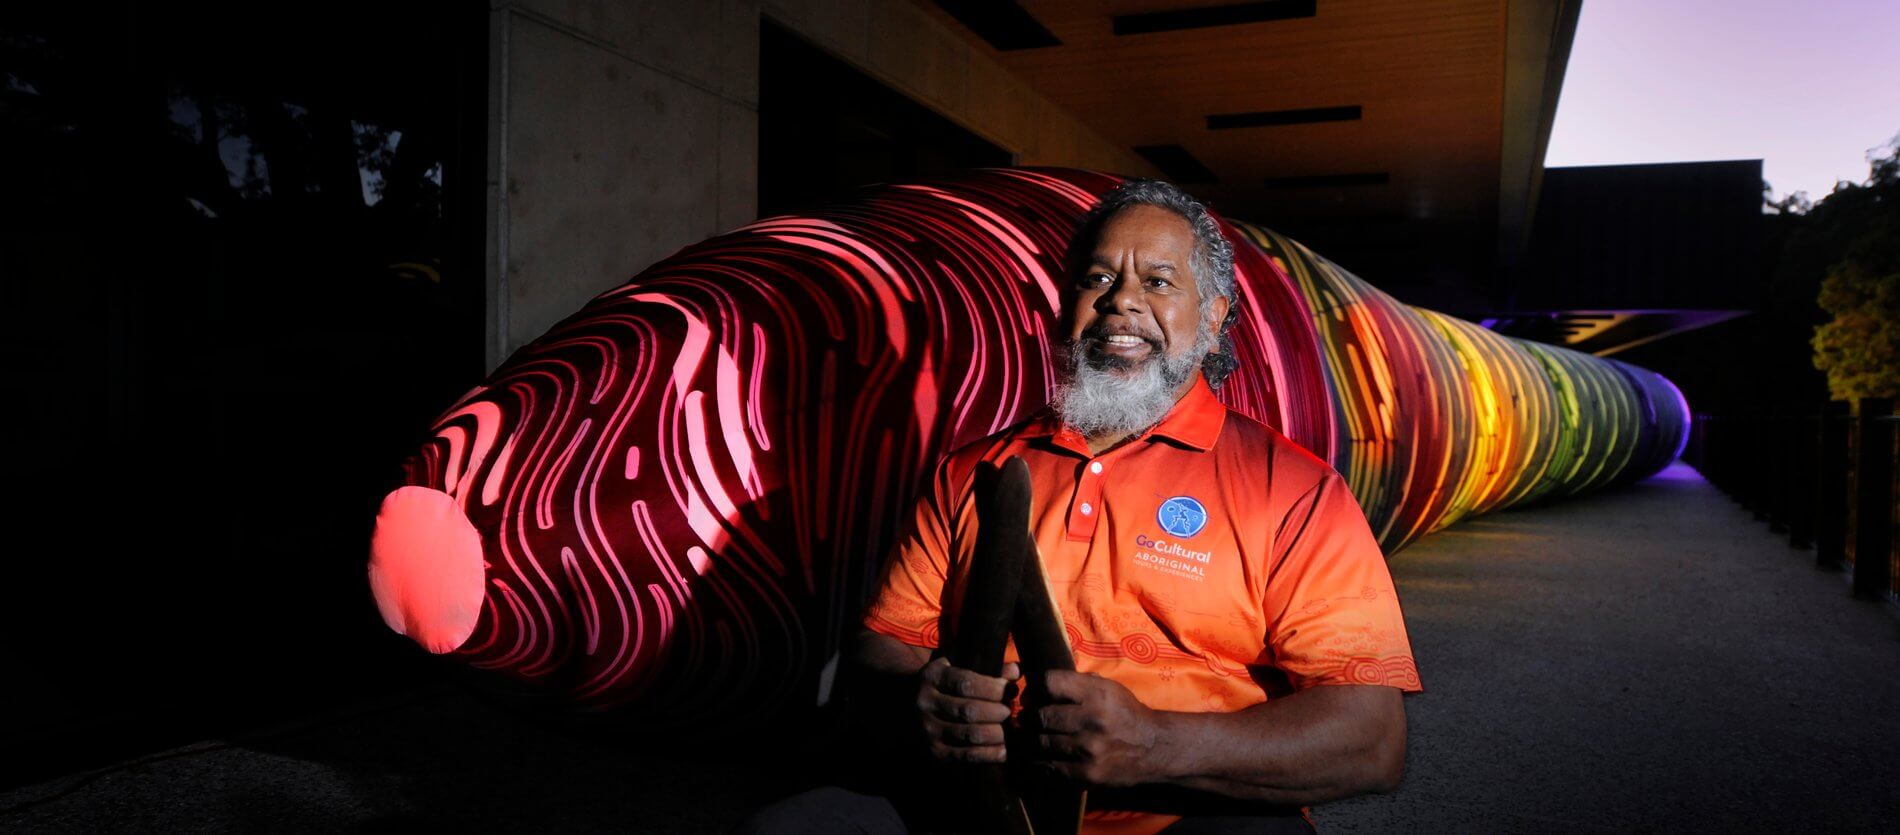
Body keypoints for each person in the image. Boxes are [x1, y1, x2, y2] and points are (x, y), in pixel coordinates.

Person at [741, 180, 1420, 835]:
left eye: (1157, 281)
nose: (1121, 301)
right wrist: (925, 701)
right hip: (969, 798)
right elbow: (882, 647)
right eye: (1097, 279)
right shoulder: (972, 469)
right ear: (1066, 305)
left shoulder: (1296, 489)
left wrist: (1155, 742)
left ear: (1213, 320)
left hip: (1186, 810)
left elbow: (1371, 739)